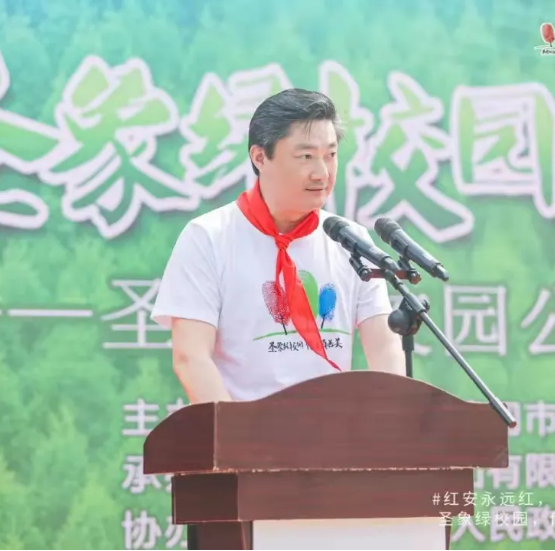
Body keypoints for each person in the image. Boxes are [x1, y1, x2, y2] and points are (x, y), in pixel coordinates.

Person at [150, 87, 406, 406]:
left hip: (334, 434)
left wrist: (392, 421)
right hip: (242, 432)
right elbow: (191, 357)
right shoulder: (208, 237)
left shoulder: (352, 241)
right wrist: (237, 434)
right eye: (306, 156)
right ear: (260, 157)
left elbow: (384, 346)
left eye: (330, 155)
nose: (322, 173)